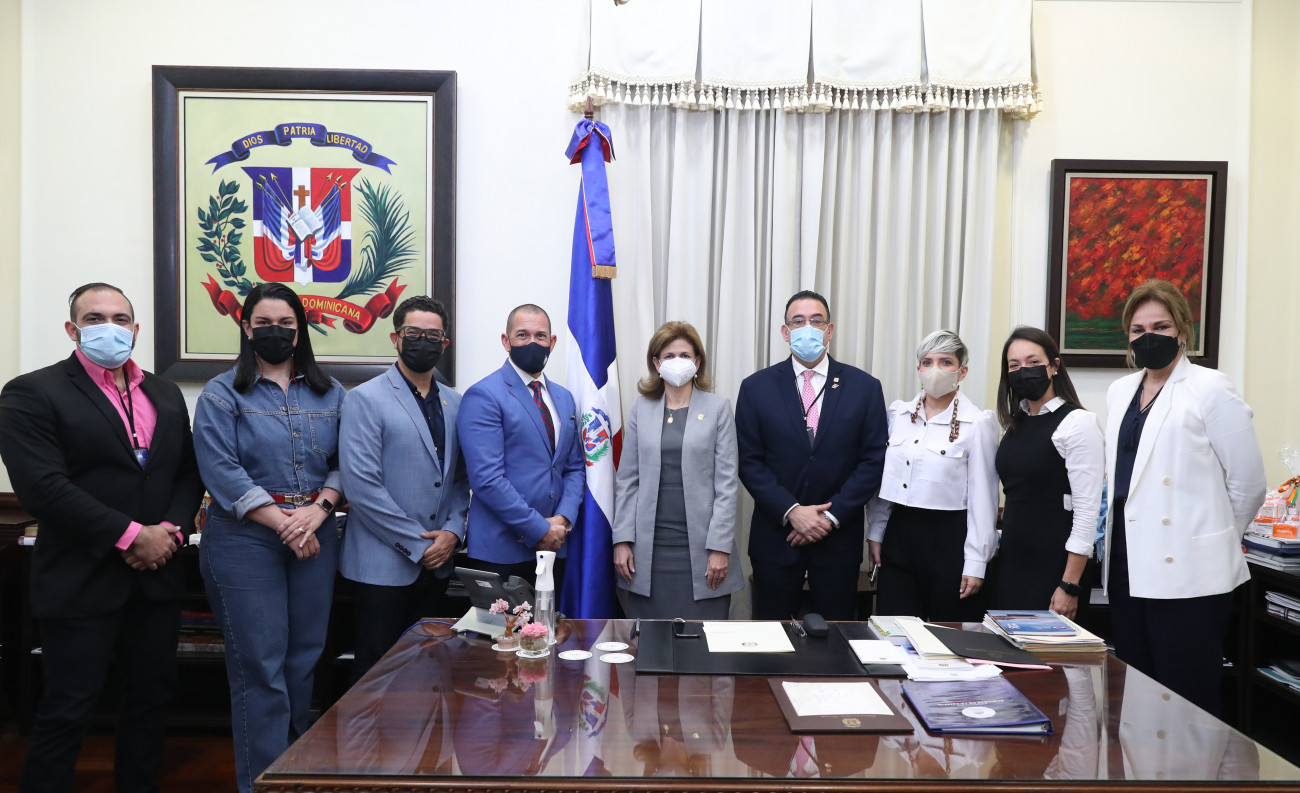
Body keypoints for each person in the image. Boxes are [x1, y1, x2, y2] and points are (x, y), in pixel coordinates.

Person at [0, 283, 204, 793]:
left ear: (135, 330)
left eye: (120, 319)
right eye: (94, 319)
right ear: (72, 329)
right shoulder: (31, 392)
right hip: (80, 577)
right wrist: (132, 536)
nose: (108, 327)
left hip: (156, 579)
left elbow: (187, 472)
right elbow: (42, 488)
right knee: (67, 709)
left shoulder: (165, 392)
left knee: (151, 701)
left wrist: (171, 532)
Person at [192, 282, 346, 793]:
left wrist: (317, 512)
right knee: (261, 666)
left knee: (303, 661)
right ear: (246, 327)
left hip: (316, 532)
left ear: (300, 331)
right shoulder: (221, 393)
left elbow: (345, 463)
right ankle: (261, 783)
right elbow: (221, 470)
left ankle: (294, 776)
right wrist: (286, 523)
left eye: (285, 324)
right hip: (245, 538)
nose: (274, 332)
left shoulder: (331, 392)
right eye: (263, 324)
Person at [1103, 279, 1266, 717]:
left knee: (1186, 698)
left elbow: (1248, 483)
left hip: (1190, 572)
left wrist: (1210, 536)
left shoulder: (1210, 388)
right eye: (1138, 330)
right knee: (1136, 693)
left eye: (1160, 326)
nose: (1149, 337)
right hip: (1127, 563)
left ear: (1182, 331)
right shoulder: (1120, 392)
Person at [339, 295, 470, 683]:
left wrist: (452, 532)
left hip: (438, 566)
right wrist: (419, 545)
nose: (423, 341)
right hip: (381, 567)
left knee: (427, 673)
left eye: (433, 336)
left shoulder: (457, 403)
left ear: (444, 344)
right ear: (396, 338)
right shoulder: (364, 398)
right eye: (414, 333)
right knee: (376, 675)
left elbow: (461, 479)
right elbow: (362, 488)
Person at [735, 290, 888, 621]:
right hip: (776, 540)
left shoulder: (864, 387)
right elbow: (749, 462)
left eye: (816, 321)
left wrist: (829, 518)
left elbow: (873, 461)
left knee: (836, 636)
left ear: (829, 331)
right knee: (771, 638)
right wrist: (792, 511)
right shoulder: (755, 387)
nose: (808, 328)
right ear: (785, 331)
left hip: (838, 541)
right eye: (798, 321)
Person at [612, 321, 743, 619]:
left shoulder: (718, 408)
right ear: (657, 363)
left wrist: (720, 547)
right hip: (648, 552)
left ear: (697, 362)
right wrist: (621, 540)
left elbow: (726, 485)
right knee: (650, 640)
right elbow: (627, 481)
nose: (677, 362)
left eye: (685, 355)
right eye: (669, 356)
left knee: (704, 640)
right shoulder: (640, 408)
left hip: (703, 551)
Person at [866, 330, 999, 622]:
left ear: (962, 371)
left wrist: (976, 562)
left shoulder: (977, 423)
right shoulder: (898, 415)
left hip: (949, 538)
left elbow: (984, 498)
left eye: (945, 362)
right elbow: (885, 481)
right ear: (918, 368)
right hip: (900, 534)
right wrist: (876, 533)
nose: (935, 370)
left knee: (947, 632)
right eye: (927, 362)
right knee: (895, 628)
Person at [457, 304, 585, 590]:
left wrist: (561, 521)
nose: (532, 342)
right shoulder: (484, 395)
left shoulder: (564, 398)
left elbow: (574, 466)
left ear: (552, 342)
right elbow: (487, 479)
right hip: (501, 552)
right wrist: (539, 529)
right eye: (522, 335)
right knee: (501, 624)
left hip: (555, 548)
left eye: (540, 336)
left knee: (551, 620)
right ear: (506, 341)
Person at [991, 326, 1104, 620]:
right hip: (1012, 560)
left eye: (1033, 362)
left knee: (1049, 650)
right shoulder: (1013, 423)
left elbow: (1087, 512)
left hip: (1056, 567)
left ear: (1054, 366)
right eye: (1014, 365)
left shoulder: (1078, 423)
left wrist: (1069, 585)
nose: (1023, 371)